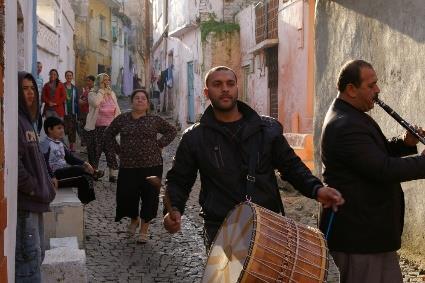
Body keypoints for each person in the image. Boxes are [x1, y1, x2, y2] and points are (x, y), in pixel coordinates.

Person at [163, 66, 345, 250]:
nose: (225, 89)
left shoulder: (266, 130)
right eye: (217, 84)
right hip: (222, 229)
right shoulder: (194, 138)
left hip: (269, 226)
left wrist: (317, 189)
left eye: (230, 84)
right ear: (206, 92)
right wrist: (174, 209)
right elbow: (179, 179)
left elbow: (291, 166)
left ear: (237, 88)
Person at [319, 59, 425, 283]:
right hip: (359, 237)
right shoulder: (344, 124)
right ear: (351, 89)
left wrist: (405, 144)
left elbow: (375, 155)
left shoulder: (351, 115)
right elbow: (382, 169)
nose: (377, 90)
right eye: (371, 85)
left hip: (371, 233)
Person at [104, 89, 176, 243]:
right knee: (126, 196)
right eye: (137, 98)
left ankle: (144, 229)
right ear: (132, 101)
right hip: (128, 166)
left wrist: (160, 144)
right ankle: (134, 219)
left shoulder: (154, 120)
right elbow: (108, 134)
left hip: (152, 165)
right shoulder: (122, 119)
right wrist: (118, 150)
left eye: (143, 98)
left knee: (150, 197)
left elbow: (171, 131)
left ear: (147, 103)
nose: (140, 100)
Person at [17, 71, 57, 282]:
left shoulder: (28, 121)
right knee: (28, 263)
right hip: (26, 205)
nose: (30, 93)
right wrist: (34, 187)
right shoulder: (15, 121)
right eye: (25, 88)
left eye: (32, 88)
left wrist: (45, 181)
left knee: (38, 256)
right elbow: (15, 165)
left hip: (36, 202)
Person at [40, 117, 104, 204]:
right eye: (59, 128)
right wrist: (52, 176)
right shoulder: (45, 144)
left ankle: (83, 203)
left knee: (85, 179)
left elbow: (70, 158)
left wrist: (85, 163)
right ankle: (94, 174)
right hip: (54, 175)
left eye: (62, 128)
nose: (62, 130)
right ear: (50, 129)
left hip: (63, 172)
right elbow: (43, 162)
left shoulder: (60, 143)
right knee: (79, 170)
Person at [84, 73, 121, 182]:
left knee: (110, 151)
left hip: (109, 128)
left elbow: (117, 109)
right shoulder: (92, 93)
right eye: (104, 80)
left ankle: (112, 174)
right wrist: (101, 91)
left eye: (108, 80)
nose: (106, 82)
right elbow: (96, 103)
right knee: (96, 151)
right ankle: (93, 172)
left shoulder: (111, 93)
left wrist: (118, 124)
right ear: (99, 82)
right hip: (96, 128)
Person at [63, 71, 79, 151]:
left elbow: (77, 101)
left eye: (70, 76)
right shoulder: (62, 86)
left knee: (72, 129)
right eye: (67, 76)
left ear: (72, 77)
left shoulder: (75, 88)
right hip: (63, 111)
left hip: (72, 112)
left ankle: (71, 145)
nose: (69, 77)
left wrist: (78, 113)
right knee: (64, 128)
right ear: (65, 77)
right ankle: (61, 145)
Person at [78, 75, 95, 147]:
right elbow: (81, 98)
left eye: (89, 81)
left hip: (90, 113)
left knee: (89, 129)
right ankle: (85, 143)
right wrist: (80, 100)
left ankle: (89, 145)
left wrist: (84, 101)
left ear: (93, 82)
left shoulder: (95, 90)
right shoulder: (86, 90)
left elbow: (92, 101)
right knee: (82, 128)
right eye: (87, 81)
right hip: (83, 112)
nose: (87, 82)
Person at [35, 62, 44, 133]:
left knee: (38, 115)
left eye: (41, 67)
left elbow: (42, 89)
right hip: (33, 100)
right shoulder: (32, 76)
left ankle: (38, 131)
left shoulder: (41, 78)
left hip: (39, 101)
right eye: (38, 67)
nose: (39, 68)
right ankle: (37, 131)